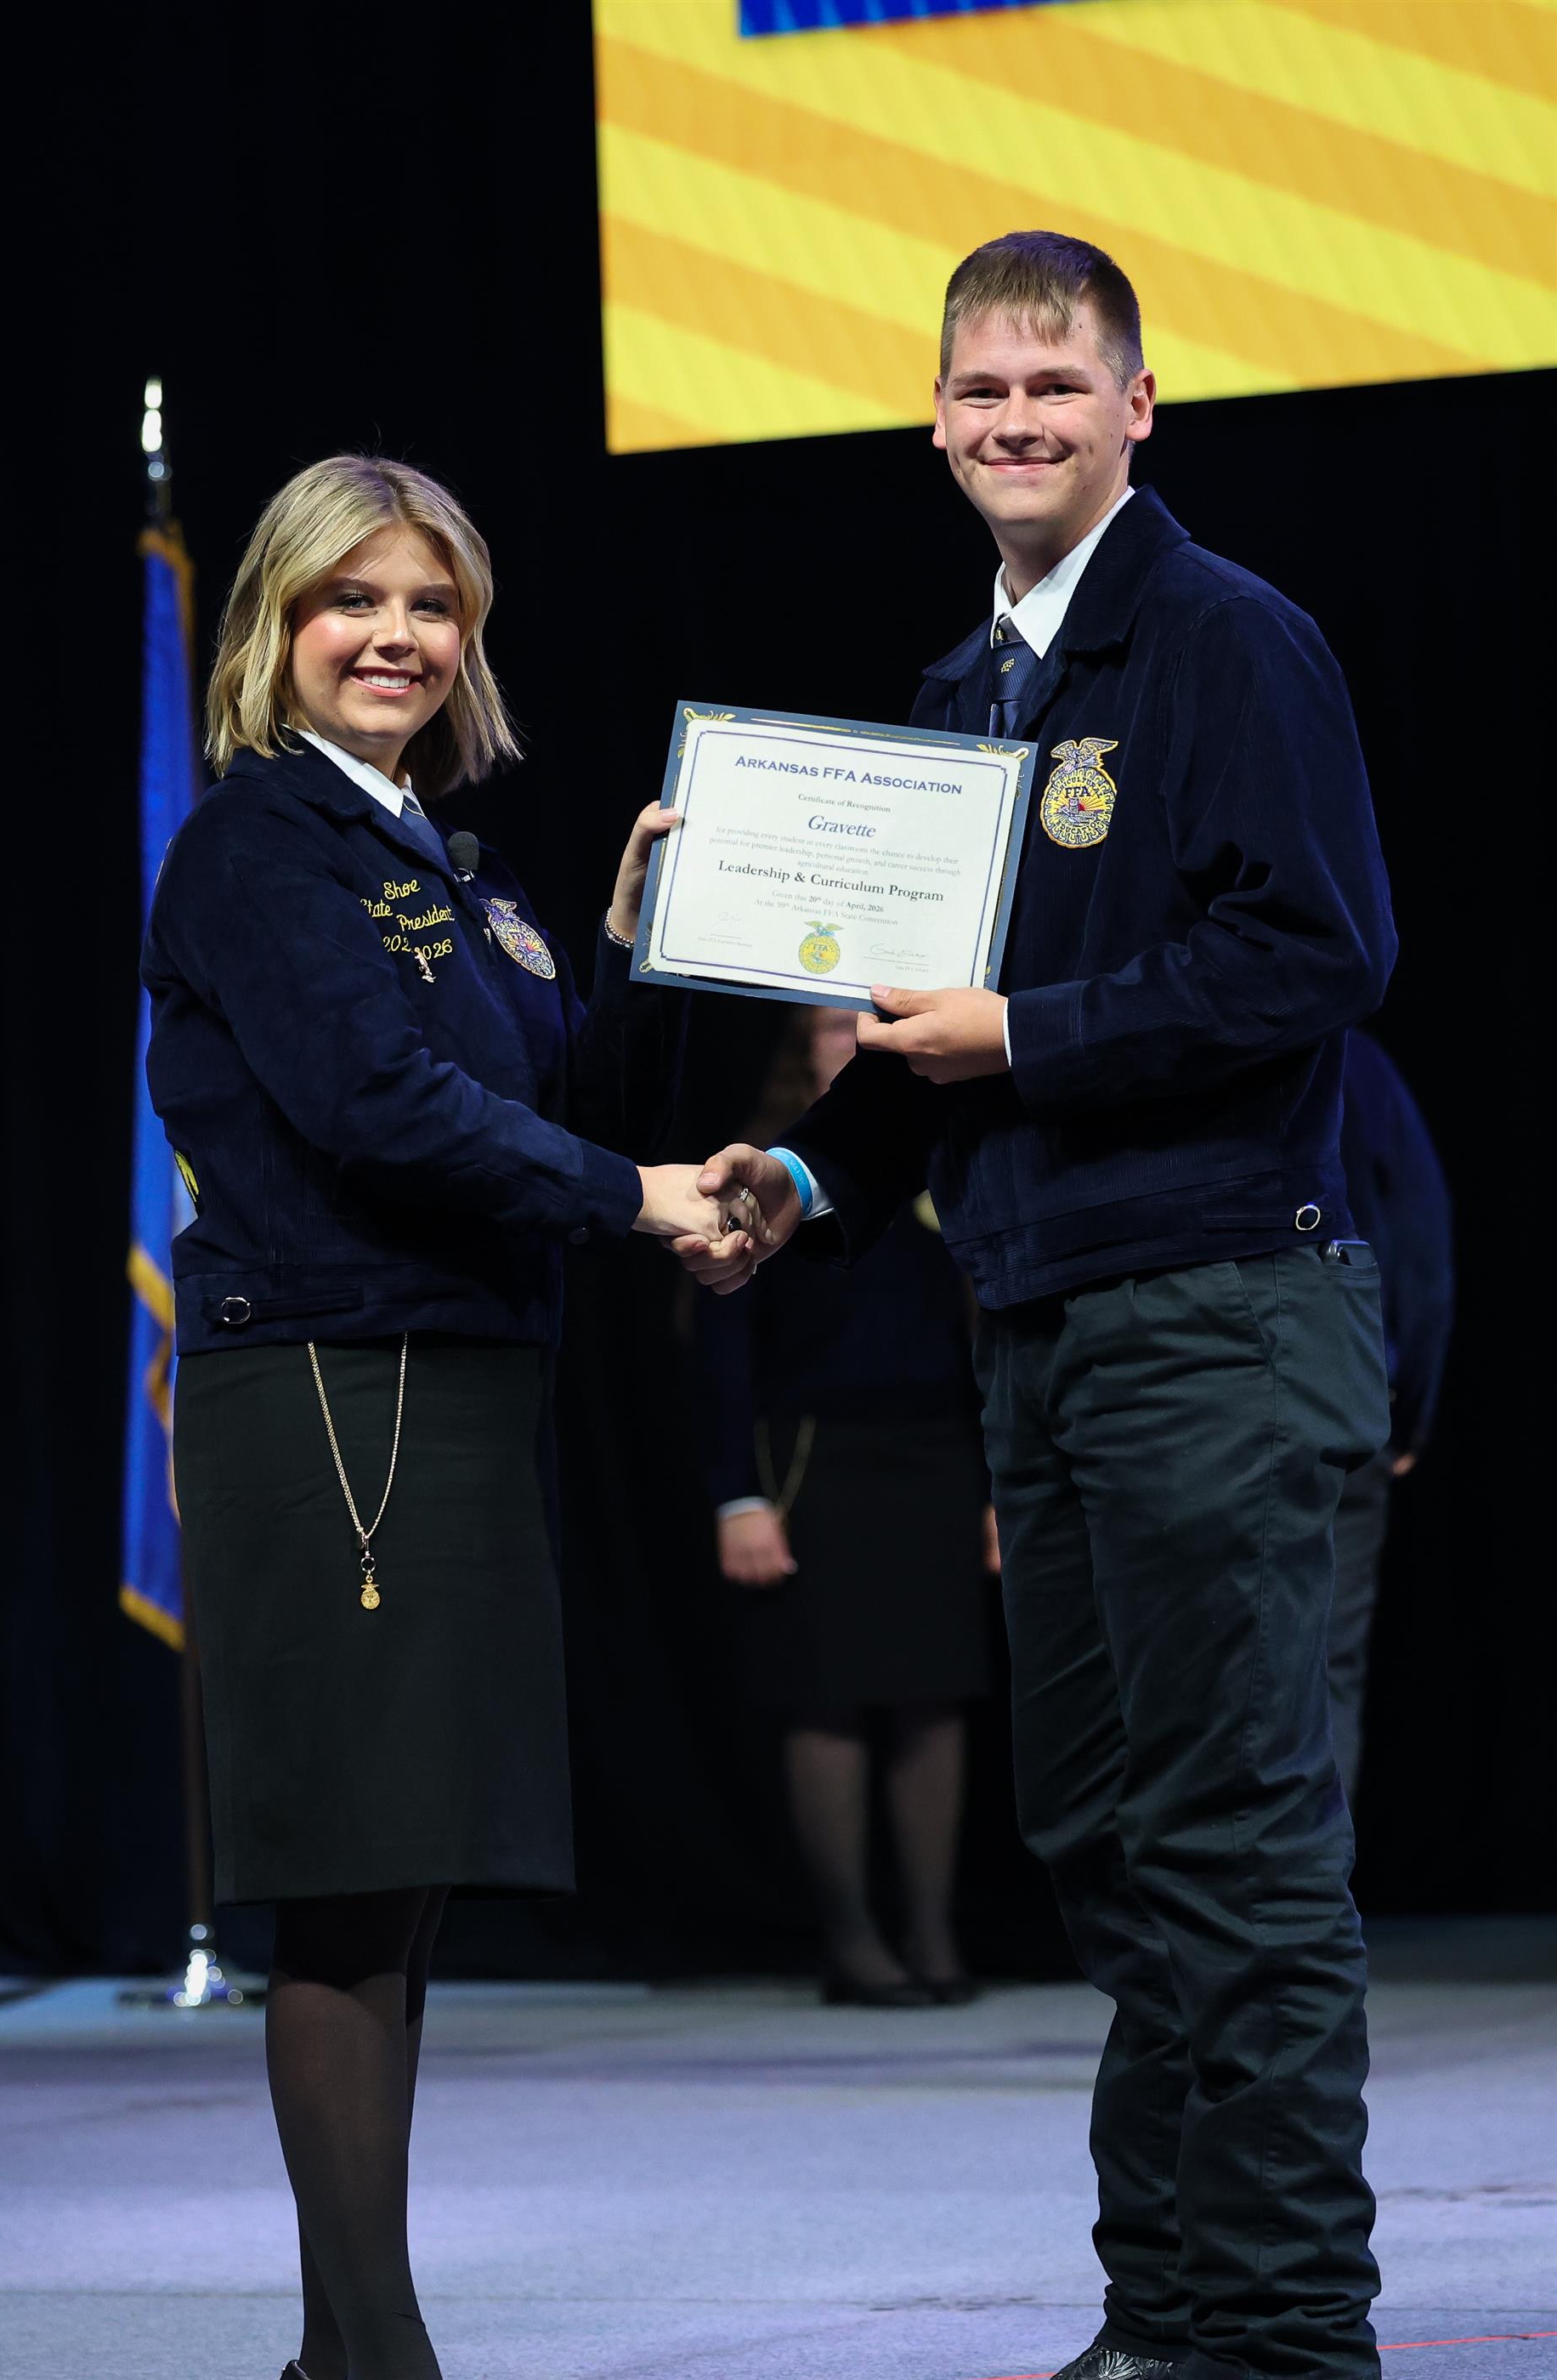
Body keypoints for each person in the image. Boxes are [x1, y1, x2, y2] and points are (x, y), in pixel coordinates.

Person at [677, 232, 1396, 2380]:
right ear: (932, 419)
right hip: (1040, 1326)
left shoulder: (1226, 639)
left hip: (1216, 1313)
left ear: (1135, 407)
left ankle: (1284, 2337)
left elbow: (1318, 954)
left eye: (1054, 387)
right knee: (1100, 1840)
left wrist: (1036, 1030)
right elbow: (918, 1049)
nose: (1015, 421)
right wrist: (801, 1177)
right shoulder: (951, 698)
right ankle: (1166, 2311)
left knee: (1235, 1847)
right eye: (981, 390)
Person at [144, 456, 725, 2380]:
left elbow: (561, 1113)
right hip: (328, 1394)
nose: (394, 636)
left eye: (431, 605)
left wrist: (634, 947)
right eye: (352, 599)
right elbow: (382, 1113)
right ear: (276, 624)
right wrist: (636, 1200)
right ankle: (374, 2357)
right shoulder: (257, 849)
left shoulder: (455, 868)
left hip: (451, 1391)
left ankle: (345, 2357)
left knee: (395, 1890)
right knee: (343, 1886)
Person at [692, 1005, 993, 2005]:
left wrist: (1001, 1486)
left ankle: (934, 1934)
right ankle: (854, 1942)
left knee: (933, 1690)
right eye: (833, 1026)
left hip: (937, 1449)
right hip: (814, 1455)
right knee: (830, 1692)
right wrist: (736, 1494)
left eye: (869, 1021)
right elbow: (721, 1345)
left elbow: (985, 1326)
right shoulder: (770, 1169)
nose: (854, 1039)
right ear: (801, 1047)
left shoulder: (950, 1140)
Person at [1328, 1030, 1454, 1799]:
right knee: (1326, 1666)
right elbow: (1420, 1243)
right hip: (1346, 1390)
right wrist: (1411, 1404)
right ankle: (1308, 1879)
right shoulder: (1356, 1063)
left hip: (1185, 1389)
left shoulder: (1170, 1039)